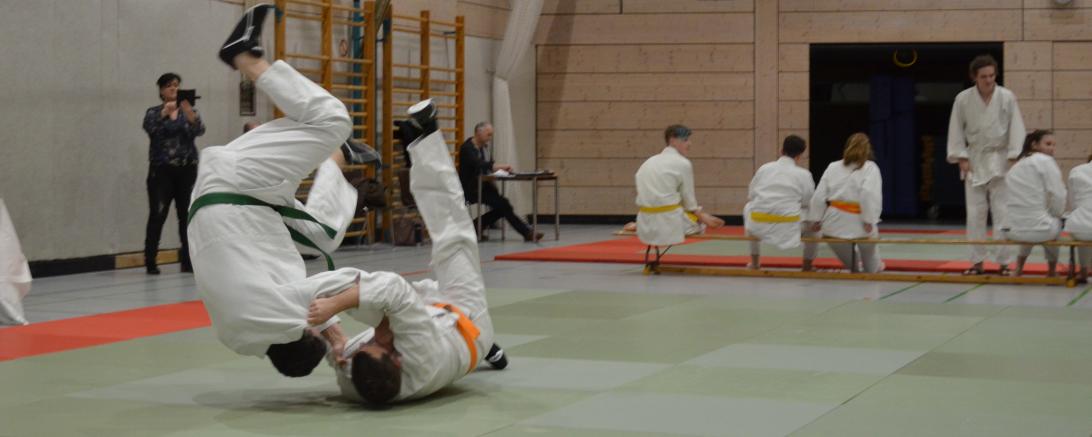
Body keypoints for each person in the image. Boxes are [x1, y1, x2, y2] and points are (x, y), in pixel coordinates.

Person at [187, 4, 372, 377]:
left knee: (333, 120)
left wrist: (378, 321)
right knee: (325, 234)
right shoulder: (240, 336)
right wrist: (332, 340)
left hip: (239, 191)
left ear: (304, 333)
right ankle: (336, 157)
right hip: (233, 203)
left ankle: (244, 55)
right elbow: (298, 312)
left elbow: (347, 291)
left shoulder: (283, 315)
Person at [306, 100, 506, 405]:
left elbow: (344, 349)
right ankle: (425, 135)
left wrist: (334, 336)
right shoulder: (420, 353)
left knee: (343, 284)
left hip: (422, 322)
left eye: (365, 345)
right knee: (454, 235)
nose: (370, 340)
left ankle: (301, 288)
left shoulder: (353, 379)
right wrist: (336, 306)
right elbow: (394, 289)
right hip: (467, 319)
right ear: (399, 359)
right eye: (376, 343)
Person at [948, 54, 1027, 276]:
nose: (989, 80)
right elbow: (955, 129)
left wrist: (1014, 155)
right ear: (974, 77)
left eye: (992, 75)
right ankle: (977, 263)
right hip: (974, 159)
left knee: (1003, 213)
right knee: (975, 214)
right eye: (984, 76)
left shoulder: (1007, 97)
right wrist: (960, 156)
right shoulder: (963, 99)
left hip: (1001, 159)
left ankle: (1003, 263)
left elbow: (1016, 126)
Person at [142, 72, 206, 274]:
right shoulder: (153, 112)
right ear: (161, 90)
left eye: (176, 85)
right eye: (169, 86)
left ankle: (187, 260)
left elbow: (200, 130)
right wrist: (164, 113)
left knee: (186, 216)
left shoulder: (189, 111)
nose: (173, 89)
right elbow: (149, 128)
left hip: (186, 170)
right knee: (157, 214)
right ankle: (150, 260)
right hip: (161, 171)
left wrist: (189, 113)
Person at [629, 124, 725, 248]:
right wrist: (704, 218)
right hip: (669, 223)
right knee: (700, 224)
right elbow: (689, 202)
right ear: (672, 141)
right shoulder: (683, 163)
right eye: (685, 140)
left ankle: (637, 225)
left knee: (675, 205)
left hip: (645, 222)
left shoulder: (648, 162)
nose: (689, 144)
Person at [808, 133, 884, 273]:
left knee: (854, 268)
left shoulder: (833, 167)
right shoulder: (870, 168)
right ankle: (874, 269)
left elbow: (818, 197)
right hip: (861, 224)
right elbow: (867, 194)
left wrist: (816, 220)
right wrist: (869, 220)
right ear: (868, 150)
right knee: (872, 267)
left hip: (834, 224)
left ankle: (855, 269)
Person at [457, 122, 542, 242]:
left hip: (484, 187)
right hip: (470, 189)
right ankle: (526, 232)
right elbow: (479, 164)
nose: (489, 138)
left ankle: (476, 225)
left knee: (504, 205)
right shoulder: (467, 148)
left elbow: (487, 167)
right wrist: (498, 167)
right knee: (503, 205)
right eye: (488, 135)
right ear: (479, 133)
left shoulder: (484, 148)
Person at [743, 135, 818, 271]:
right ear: (799, 156)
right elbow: (808, 201)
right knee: (814, 219)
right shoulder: (803, 174)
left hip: (759, 225)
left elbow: (752, 194)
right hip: (789, 225)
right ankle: (807, 265)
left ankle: (754, 263)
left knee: (749, 207)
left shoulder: (764, 168)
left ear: (781, 150)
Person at [1004, 130, 1065, 277]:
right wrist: (1058, 214)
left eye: (1054, 145)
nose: (1052, 148)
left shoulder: (1016, 165)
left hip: (1012, 231)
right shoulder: (1045, 161)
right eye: (1048, 144)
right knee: (1051, 223)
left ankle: (1018, 269)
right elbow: (1059, 194)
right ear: (1034, 145)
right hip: (1039, 230)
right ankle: (1051, 271)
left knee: (1031, 220)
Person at [1065, 152, 1092, 282]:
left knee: (1084, 227)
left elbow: (1072, 202)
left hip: (1079, 226)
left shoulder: (1076, 171)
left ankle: (1084, 272)